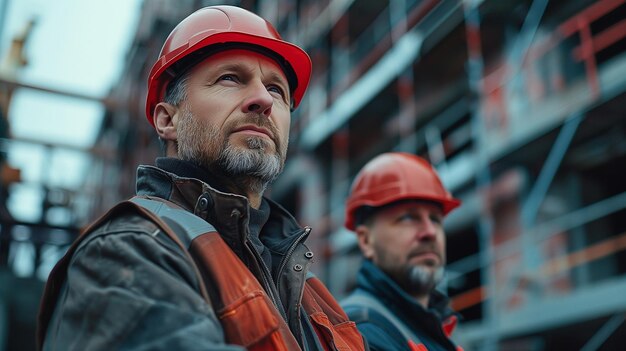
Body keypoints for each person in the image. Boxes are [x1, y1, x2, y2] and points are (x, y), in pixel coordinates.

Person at [37, 6, 365, 351]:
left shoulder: (306, 285)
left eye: (276, 90)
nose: (262, 100)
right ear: (168, 120)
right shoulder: (126, 251)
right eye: (230, 78)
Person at [341, 152, 463, 351]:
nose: (430, 232)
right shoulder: (361, 333)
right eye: (408, 218)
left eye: (435, 219)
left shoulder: (433, 327)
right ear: (365, 240)